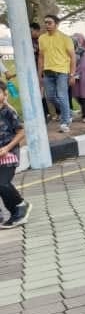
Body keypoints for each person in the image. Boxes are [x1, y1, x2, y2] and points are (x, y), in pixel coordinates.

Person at [38, 13, 76, 132]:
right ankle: (69, 112)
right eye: (46, 23)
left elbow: (73, 57)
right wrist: (40, 74)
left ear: (57, 24)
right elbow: (41, 57)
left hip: (62, 72)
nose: (47, 25)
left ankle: (65, 122)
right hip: (48, 72)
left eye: (49, 23)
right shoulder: (42, 38)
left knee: (62, 96)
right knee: (50, 97)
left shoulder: (65, 38)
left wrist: (72, 75)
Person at [0, 85, 30, 228]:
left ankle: (20, 206)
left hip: (8, 154)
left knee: (3, 183)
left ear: (5, 93)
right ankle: (12, 213)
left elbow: (21, 132)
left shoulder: (8, 112)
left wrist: (7, 148)